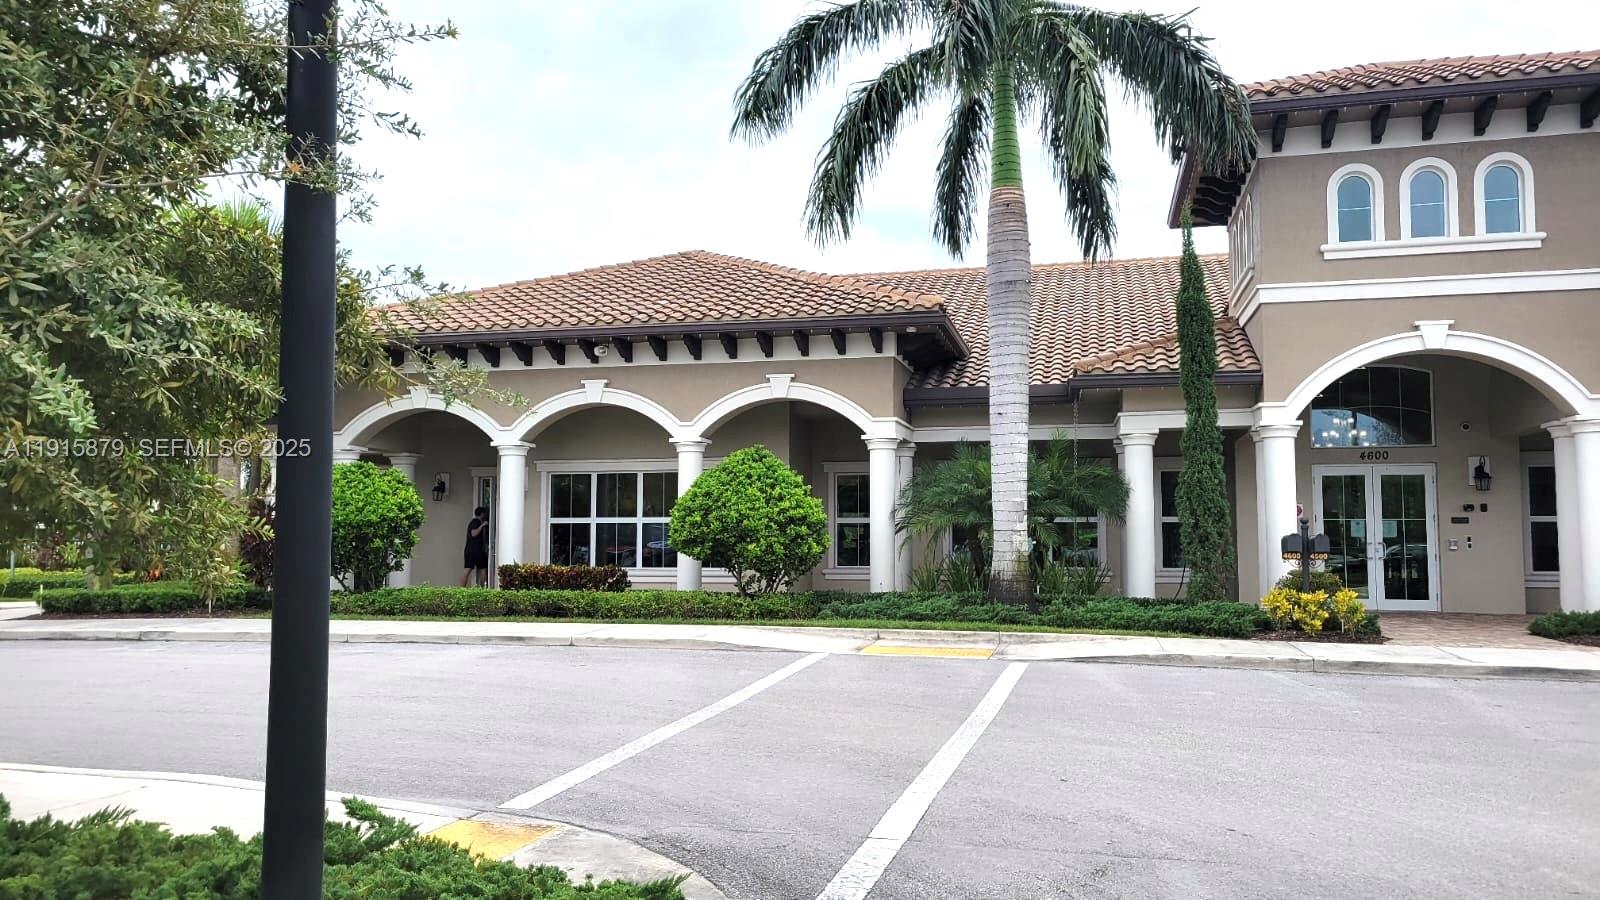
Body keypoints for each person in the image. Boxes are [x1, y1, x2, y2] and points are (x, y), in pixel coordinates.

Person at [461, 506, 490, 587]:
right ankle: (462, 589)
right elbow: (473, 533)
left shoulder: (475, 522)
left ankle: (481, 589)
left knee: (482, 568)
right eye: (485, 513)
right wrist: (483, 525)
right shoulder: (476, 522)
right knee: (474, 569)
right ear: (482, 514)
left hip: (474, 550)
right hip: (474, 550)